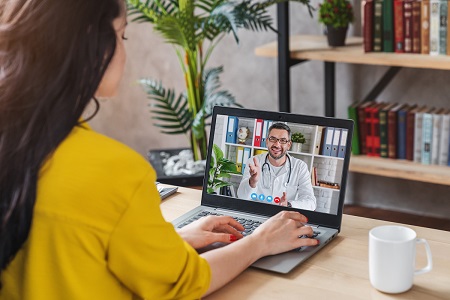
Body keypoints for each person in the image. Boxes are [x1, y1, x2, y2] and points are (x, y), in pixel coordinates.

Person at [0, 0, 319, 299]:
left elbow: (70, 251)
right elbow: (184, 283)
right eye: (121, 35)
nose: (125, 50)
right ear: (91, 45)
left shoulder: (13, 140)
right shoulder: (114, 170)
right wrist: (259, 242)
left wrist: (172, 242)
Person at [237, 123, 317, 211]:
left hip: (283, 218)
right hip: (257, 214)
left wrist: (289, 204)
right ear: (267, 141)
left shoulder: (300, 167)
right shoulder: (254, 162)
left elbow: (311, 203)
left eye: (283, 140)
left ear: (289, 145)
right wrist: (252, 181)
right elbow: (241, 196)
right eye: (273, 139)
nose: (277, 144)